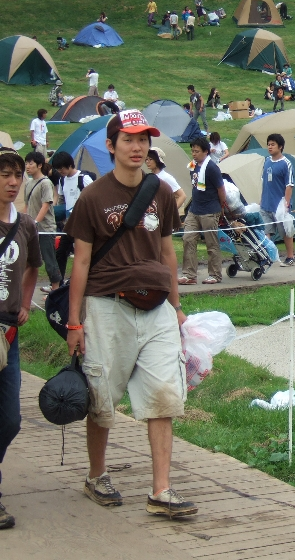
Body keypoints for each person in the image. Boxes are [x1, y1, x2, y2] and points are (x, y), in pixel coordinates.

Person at [64, 110, 196, 518]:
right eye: (129, 140)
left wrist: (176, 306)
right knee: (102, 397)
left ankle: (161, 490)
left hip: (156, 306)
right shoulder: (93, 198)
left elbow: (168, 251)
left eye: (144, 140)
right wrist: (75, 322)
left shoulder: (158, 192)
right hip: (108, 305)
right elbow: (80, 263)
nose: (138, 147)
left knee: (164, 394)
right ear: (111, 145)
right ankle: (97, 475)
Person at [0, 149, 41, 530]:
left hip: (8, 333)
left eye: (17, 176)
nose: (13, 182)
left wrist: (26, 302)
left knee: (10, 420)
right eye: (5, 175)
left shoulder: (26, 225)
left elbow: (33, 268)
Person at [179, 138, 224, 285]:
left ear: (206, 151)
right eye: (192, 151)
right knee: (188, 239)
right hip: (194, 209)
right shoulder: (193, 166)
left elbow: (220, 189)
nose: (194, 154)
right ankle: (189, 274)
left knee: (211, 243)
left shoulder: (211, 168)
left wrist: (221, 206)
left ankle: (215, 274)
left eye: (197, 151)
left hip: (210, 210)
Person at [52, 151, 93, 283]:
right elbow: (62, 200)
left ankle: (82, 280)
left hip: (84, 224)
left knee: (82, 254)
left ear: (70, 165)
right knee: (61, 252)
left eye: (62, 168)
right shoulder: (62, 180)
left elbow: (95, 199)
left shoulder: (83, 178)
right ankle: (58, 283)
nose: (60, 171)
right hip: (69, 223)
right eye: (58, 169)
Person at [24, 152, 61, 293]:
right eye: (26, 163)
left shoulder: (45, 183)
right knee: (27, 260)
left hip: (45, 228)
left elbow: (46, 205)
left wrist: (34, 222)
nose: (28, 166)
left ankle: (56, 290)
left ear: (39, 165)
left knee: (49, 260)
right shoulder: (28, 183)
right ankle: (24, 289)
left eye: (31, 163)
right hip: (31, 229)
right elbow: (27, 205)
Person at [260, 133, 295, 267]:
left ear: (280, 147)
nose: (270, 147)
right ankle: (266, 256)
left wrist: (286, 204)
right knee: (266, 232)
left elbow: (289, 185)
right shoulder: (266, 161)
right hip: (266, 204)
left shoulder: (286, 163)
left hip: (279, 205)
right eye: (268, 144)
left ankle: (290, 256)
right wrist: (261, 200)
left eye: (273, 144)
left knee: (285, 232)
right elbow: (264, 183)